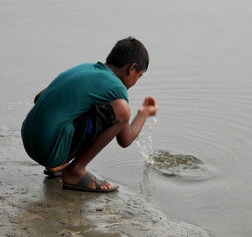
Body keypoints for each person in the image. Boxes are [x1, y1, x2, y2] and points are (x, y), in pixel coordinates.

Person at [21, 37, 158, 193]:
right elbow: (125, 139)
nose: (136, 81)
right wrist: (143, 113)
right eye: (138, 76)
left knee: (78, 107)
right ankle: (75, 171)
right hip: (48, 149)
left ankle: (55, 165)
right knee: (122, 109)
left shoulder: (84, 68)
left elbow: (39, 98)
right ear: (132, 68)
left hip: (28, 140)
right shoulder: (117, 87)